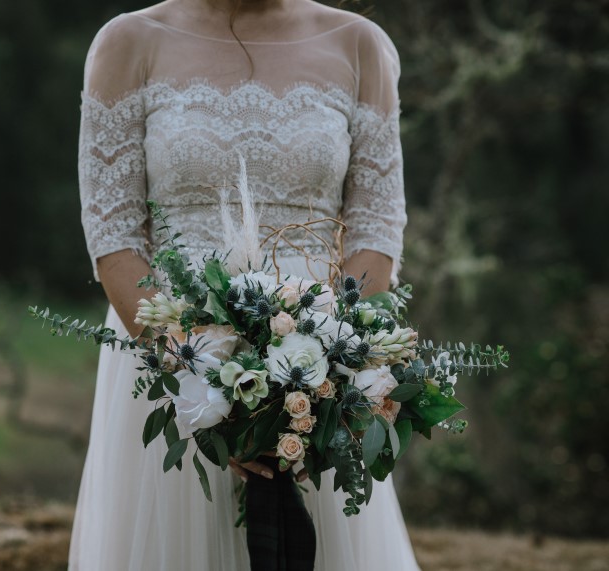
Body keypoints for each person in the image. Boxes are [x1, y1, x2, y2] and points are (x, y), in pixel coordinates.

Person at [72, 0, 421, 568]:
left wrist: (328, 367)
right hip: (171, 364)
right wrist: (201, 382)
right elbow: (114, 235)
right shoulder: (127, 43)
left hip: (317, 370)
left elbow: (376, 231)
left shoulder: (360, 45)